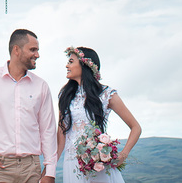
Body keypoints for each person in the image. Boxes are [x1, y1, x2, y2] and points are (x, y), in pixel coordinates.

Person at [0, 28, 58, 183]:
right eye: (32, 50)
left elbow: (47, 130)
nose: (37, 55)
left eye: (38, 50)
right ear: (16, 50)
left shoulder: (41, 86)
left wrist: (50, 171)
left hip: (31, 169)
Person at [57, 46, 141, 183]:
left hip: (98, 166)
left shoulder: (106, 94)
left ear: (84, 64)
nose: (67, 65)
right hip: (72, 165)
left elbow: (136, 127)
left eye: (71, 61)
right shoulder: (65, 95)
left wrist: (123, 155)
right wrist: (49, 170)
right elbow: (60, 136)